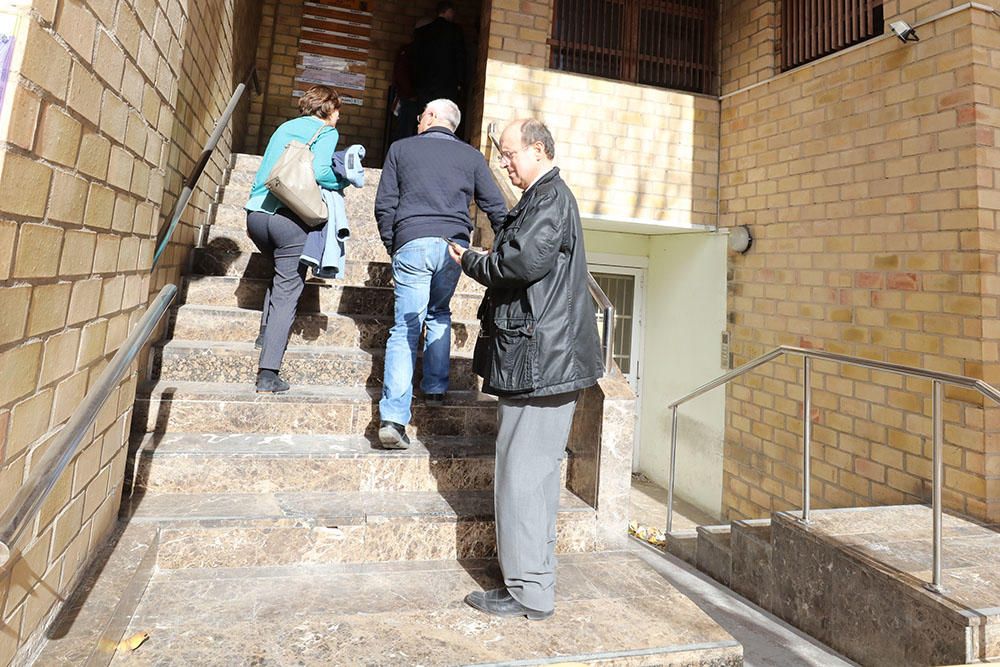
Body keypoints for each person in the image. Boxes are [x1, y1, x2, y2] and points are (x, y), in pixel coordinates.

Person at [447, 119, 603, 620]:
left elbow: (520, 263)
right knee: (528, 479)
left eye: (510, 154)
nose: (505, 163)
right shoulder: (545, 197)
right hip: (541, 360)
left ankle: (530, 592)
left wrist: (472, 260)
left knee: (521, 480)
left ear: (537, 150)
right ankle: (531, 584)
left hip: (543, 363)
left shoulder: (551, 199)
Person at [374, 98, 507, 448]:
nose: (418, 121)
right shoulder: (472, 157)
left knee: (405, 326)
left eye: (421, 116)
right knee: (439, 312)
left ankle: (393, 419)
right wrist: (504, 246)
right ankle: (434, 388)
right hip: (454, 247)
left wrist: (395, 243)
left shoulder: (401, 149)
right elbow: (497, 207)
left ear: (431, 117)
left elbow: (385, 204)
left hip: (412, 240)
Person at [244, 85, 345, 393]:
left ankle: (265, 332)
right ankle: (268, 372)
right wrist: (343, 181)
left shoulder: (285, 126)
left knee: (281, 272)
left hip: (256, 216)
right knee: (289, 288)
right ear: (328, 110)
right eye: (338, 110)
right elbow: (322, 170)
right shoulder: (326, 132)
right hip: (289, 219)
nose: (339, 117)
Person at [410, 1, 466, 108]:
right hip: (447, 85)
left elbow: (415, 59)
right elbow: (460, 58)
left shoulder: (422, 32)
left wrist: (416, 83)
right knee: (443, 117)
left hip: (425, 85)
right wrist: (460, 82)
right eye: (452, 12)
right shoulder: (456, 31)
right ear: (448, 11)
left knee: (425, 116)